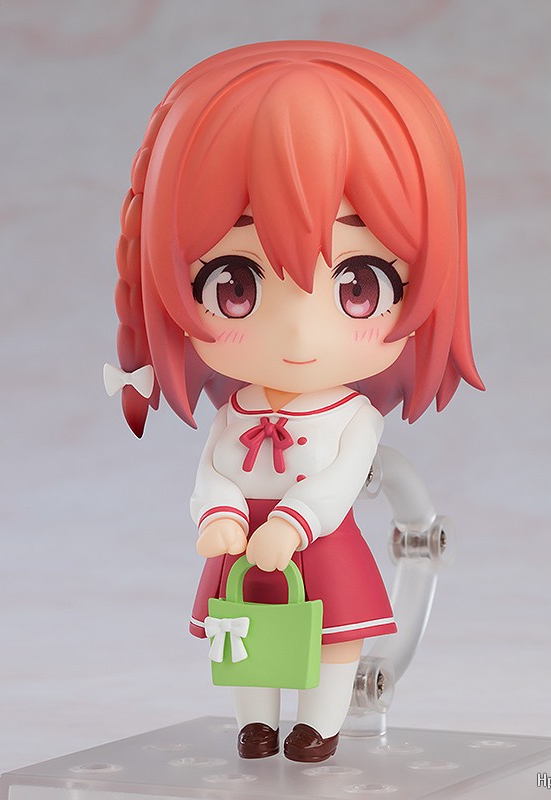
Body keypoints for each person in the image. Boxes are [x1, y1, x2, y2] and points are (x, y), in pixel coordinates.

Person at [106, 41, 483, 762]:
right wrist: (219, 513)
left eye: (359, 286)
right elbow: (214, 467)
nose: (300, 334)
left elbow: (341, 480)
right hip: (243, 543)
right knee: (241, 636)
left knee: (336, 641)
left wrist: (293, 522)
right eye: (235, 285)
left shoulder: (353, 416)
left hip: (317, 540)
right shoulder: (237, 410)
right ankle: (255, 722)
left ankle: (320, 725)